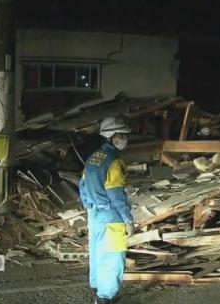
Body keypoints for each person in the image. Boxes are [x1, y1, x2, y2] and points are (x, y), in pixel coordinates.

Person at [79, 117, 135, 303]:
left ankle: (97, 288)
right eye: (123, 135)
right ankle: (106, 297)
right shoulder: (113, 162)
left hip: (95, 214)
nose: (125, 139)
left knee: (97, 253)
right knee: (112, 257)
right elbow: (116, 195)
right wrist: (128, 220)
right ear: (112, 136)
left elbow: (83, 185)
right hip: (111, 216)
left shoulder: (92, 159)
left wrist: (89, 207)